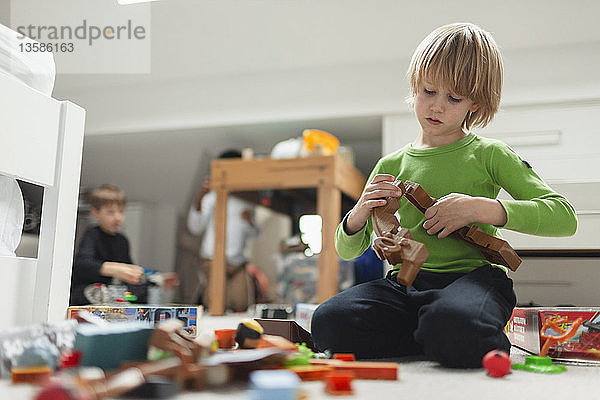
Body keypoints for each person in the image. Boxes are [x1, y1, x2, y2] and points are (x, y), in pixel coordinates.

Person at [310, 23, 577, 368]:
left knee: (452, 325)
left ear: (475, 103)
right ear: (414, 86)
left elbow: (563, 216)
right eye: (428, 91)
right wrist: (360, 212)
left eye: (453, 98)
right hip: (404, 285)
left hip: (472, 279)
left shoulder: (490, 154)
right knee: (329, 321)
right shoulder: (390, 163)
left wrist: (479, 208)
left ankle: (449, 330)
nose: (436, 107)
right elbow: (347, 249)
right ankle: (438, 333)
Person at [70, 184, 178, 306]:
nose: (118, 218)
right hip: (90, 289)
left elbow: (129, 270)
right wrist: (116, 270)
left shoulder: (122, 240)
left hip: (111, 289)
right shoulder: (92, 234)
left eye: (121, 212)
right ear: (95, 213)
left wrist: (156, 279)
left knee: (138, 290)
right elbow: (82, 263)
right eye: (110, 212)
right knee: (87, 293)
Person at [187, 150, 259, 311]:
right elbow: (195, 227)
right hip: (213, 258)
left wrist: (250, 221)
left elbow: (255, 233)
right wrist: (201, 196)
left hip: (238, 261)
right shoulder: (211, 196)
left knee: (241, 302)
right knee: (217, 303)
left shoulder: (247, 199)